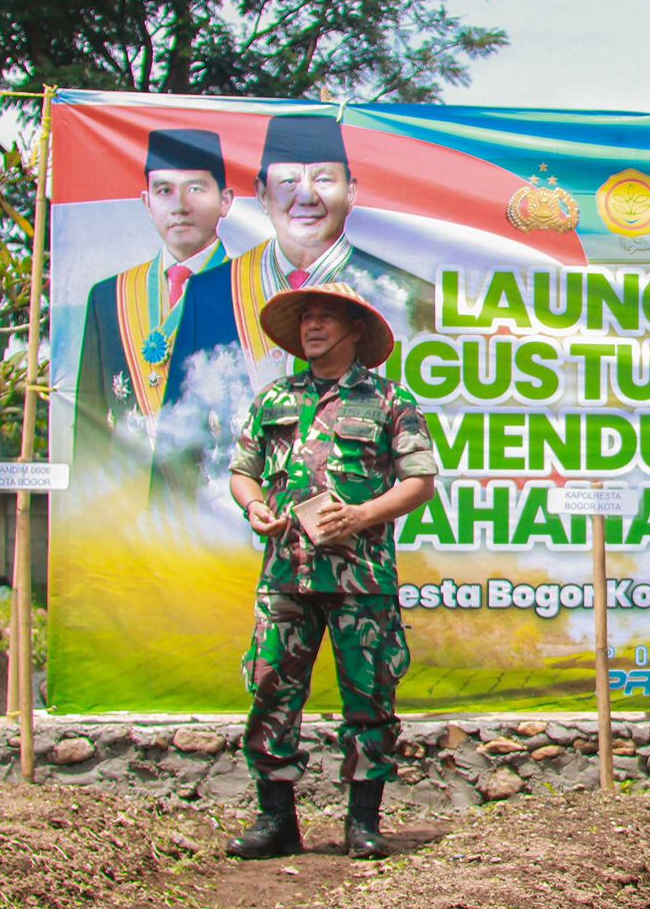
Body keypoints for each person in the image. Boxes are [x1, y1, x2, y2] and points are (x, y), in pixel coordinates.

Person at [224, 282, 438, 862]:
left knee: (369, 697)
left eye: (325, 318)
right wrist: (254, 507)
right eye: (307, 318)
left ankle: (363, 822)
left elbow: (420, 482)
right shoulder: (274, 400)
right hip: (284, 576)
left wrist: (362, 515)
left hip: (360, 580)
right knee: (270, 690)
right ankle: (277, 822)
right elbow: (242, 471)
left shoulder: (391, 401)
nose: (312, 327)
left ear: (354, 331)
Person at [173, 114, 436, 393]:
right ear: (262, 193)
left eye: (323, 180)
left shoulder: (405, 292)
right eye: (288, 181)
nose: (307, 197)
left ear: (350, 192)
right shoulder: (207, 291)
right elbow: (176, 426)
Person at [73, 129, 234, 485]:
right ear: (147, 202)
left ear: (225, 200)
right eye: (164, 191)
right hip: (125, 513)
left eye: (195, 189)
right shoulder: (108, 297)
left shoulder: (251, 292)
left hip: (219, 511)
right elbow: (90, 423)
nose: (179, 205)